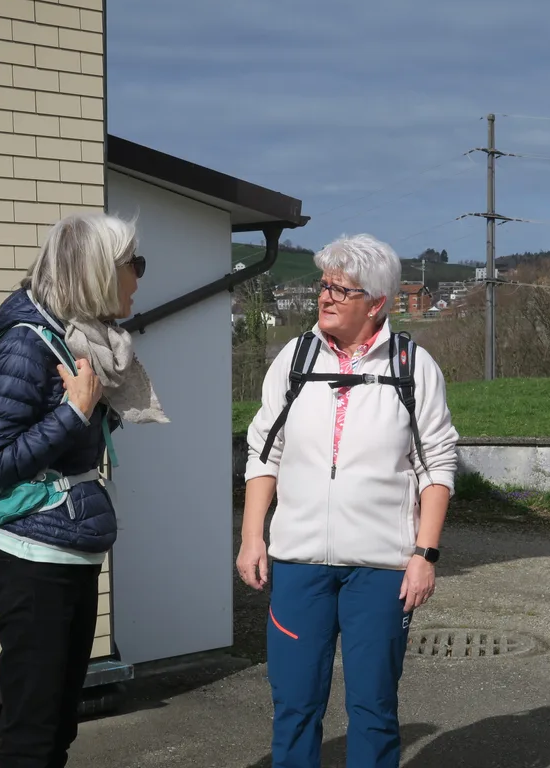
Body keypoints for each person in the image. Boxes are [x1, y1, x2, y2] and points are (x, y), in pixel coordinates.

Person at [239, 233, 460, 768]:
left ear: (376, 303)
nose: (326, 297)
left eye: (342, 289)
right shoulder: (294, 359)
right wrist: (252, 537)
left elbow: (438, 466)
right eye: (324, 285)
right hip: (298, 566)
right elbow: (264, 453)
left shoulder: (413, 366)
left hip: (382, 571)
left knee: (374, 710)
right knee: (293, 707)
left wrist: (424, 555)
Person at [0, 211, 168, 768]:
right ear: (100, 272)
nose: (139, 278)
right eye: (135, 265)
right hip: (34, 564)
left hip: (68, 552)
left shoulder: (79, 340)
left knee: (57, 730)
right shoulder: (26, 345)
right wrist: (76, 412)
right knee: (31, 739)